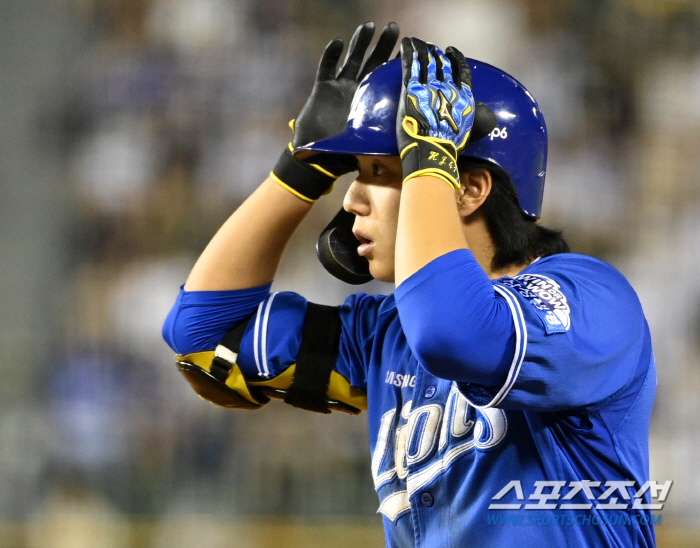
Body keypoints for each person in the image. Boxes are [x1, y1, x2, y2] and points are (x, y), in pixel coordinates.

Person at [162, 23, 657, 548]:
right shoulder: (385, 334)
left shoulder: (592, 299)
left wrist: (429, 168)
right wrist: (299, 173)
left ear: (466, 189)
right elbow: (202, 341)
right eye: (354, 172)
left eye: (380, 171)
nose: (350, 199)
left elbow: (455, 334)